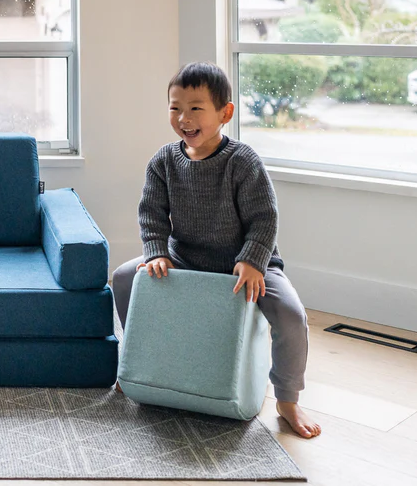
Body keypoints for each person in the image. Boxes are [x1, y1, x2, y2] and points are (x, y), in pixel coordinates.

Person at [111, 62, 322, 439]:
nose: (184, 118)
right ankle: (139, 363)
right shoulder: (163, 161)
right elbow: (151, 213)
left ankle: (288, 399)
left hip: (247, 262)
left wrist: (252, 260)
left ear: (225, 113)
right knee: (125, 277)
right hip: (184, 257)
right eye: (175, 108)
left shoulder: (242, 161)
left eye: (196, 108)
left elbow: (265, 217)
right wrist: (156, 251)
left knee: (291, 314)